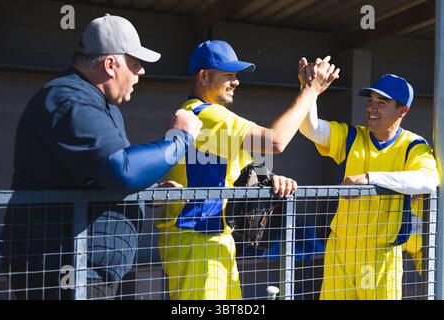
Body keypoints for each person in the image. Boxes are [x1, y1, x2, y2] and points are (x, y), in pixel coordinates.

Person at [0, 14, 202, 300]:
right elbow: (122, 170)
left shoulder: (97, 103)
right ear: (110, 64)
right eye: (135, 63)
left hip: (82, 268)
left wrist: (149, 192)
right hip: (64, 270)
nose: (141, 72)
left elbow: (102, 174)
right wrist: (180, 138)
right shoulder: (69, 99)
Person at [157, 40, 339, 300]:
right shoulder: (206, 114)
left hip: (215, 238)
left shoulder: (208, 116)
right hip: (196, 240)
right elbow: (275, 141)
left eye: (237, 75)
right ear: (204, 76)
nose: (236, 82)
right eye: (228, 75)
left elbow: (246, 171)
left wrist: (274, 179)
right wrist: (310, 91)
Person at [298, 63, 439, 300]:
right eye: (370, 101)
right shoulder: (354, 135)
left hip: (380, 255)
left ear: (402, 111)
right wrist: (307, 89)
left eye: (381, 103)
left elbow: (427, 180)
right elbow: (310, 129)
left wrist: (370, 179)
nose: (372, 108)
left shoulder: (414, 146)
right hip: (340, 249)